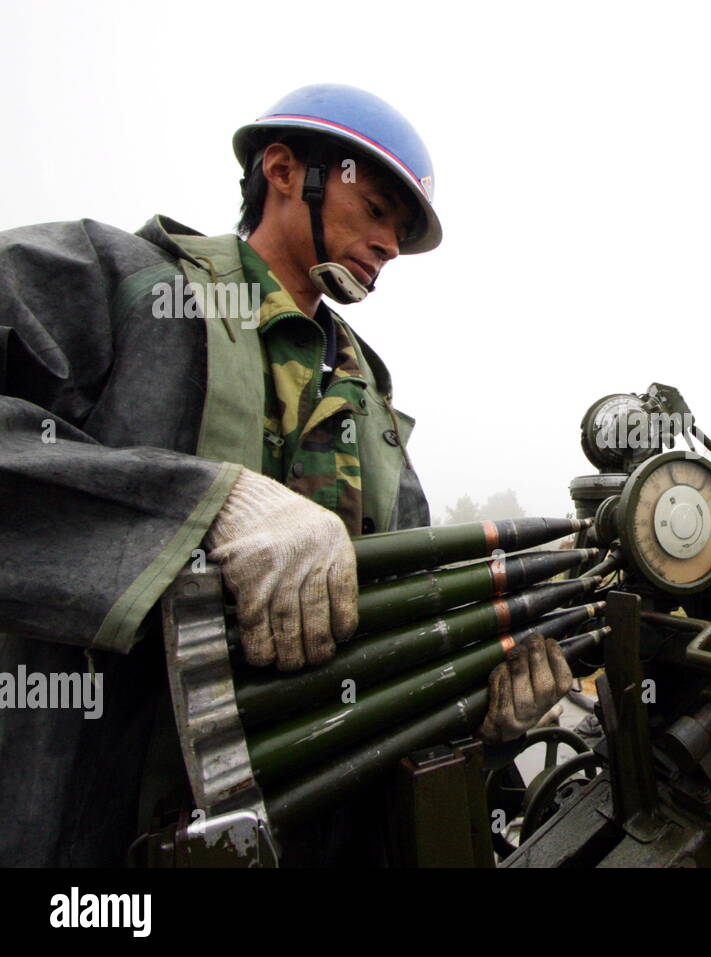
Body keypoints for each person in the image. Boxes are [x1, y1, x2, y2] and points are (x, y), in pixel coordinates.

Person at [0, 83, 570, 866]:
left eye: (402, 230)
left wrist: (487, 720)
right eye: (375, 209)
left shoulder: (371, 402)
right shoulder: (129, 284)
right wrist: (206, 507)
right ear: (280, 170)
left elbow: (403, 641)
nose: (392, 246)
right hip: (108, 841)